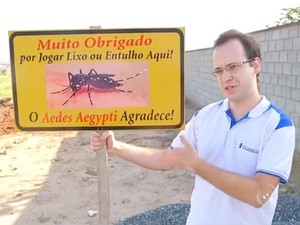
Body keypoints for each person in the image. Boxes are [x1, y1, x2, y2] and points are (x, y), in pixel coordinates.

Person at [90, 29, 295, 225]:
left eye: (233, 67)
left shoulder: (278, 125)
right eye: (219, 71)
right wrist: (116, 147)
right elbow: (165, 158)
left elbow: (259, 194)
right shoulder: (205, 117)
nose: (225, 78)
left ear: (256, 65)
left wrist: (198, 165)